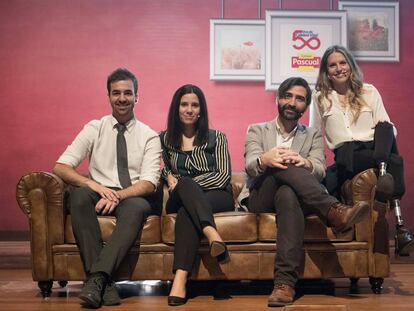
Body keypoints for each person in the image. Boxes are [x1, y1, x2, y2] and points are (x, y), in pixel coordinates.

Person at [241, 77, 369, 307]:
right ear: (278, 99)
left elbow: (319, 170)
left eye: (299, 99)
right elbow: (250, 165)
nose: (292, 102)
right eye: (288, 96)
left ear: (306, 106)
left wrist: (305, 162)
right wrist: (265, 159)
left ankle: (284, 284)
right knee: (281, 160)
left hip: (293, 197)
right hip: (262, 195)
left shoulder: (312, 135)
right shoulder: (257, 129)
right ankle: (333, 211)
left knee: (289, 193)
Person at [53, 68, 162, 308]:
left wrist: (118, 195)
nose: (122, 98)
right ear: (109, 96)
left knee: (136, 207)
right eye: (116, 93)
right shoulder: (95, 128)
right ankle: (104, 281)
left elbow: (149, 182)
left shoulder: (149, 136)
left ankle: (97, 279)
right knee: (79, 196)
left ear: (136, 97)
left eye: (127, 93)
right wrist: (93, 184)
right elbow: (61, 166)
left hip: (131, 194)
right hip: (97, 191)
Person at [310, 45, 413, 256]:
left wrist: (381, 146)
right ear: (326, 71)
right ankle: (401, 227)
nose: (339, 68)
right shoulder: (320, 97)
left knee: (385, 128)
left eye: (343, 62)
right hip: (347, 155)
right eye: (332, 65)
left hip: (375, 149)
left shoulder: (369, 91)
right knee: (395, 159)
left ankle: (384, 173)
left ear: (350, 65)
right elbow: (314, 134)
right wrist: (315, 165)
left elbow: (387, 127)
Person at [160, 84, 234, 306]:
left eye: (195, 105)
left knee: (186, 209)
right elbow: (157, 166)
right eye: (184, 104)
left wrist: (184, 182)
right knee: (185, 188)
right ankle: (212, 234)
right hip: (179, 195)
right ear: (176, 108)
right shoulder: (164, 139)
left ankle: (180, 280)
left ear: (201, 110)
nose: (189, 109)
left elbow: (222, 177)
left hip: (217, 196)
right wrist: (168, 176)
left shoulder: (217, 137)